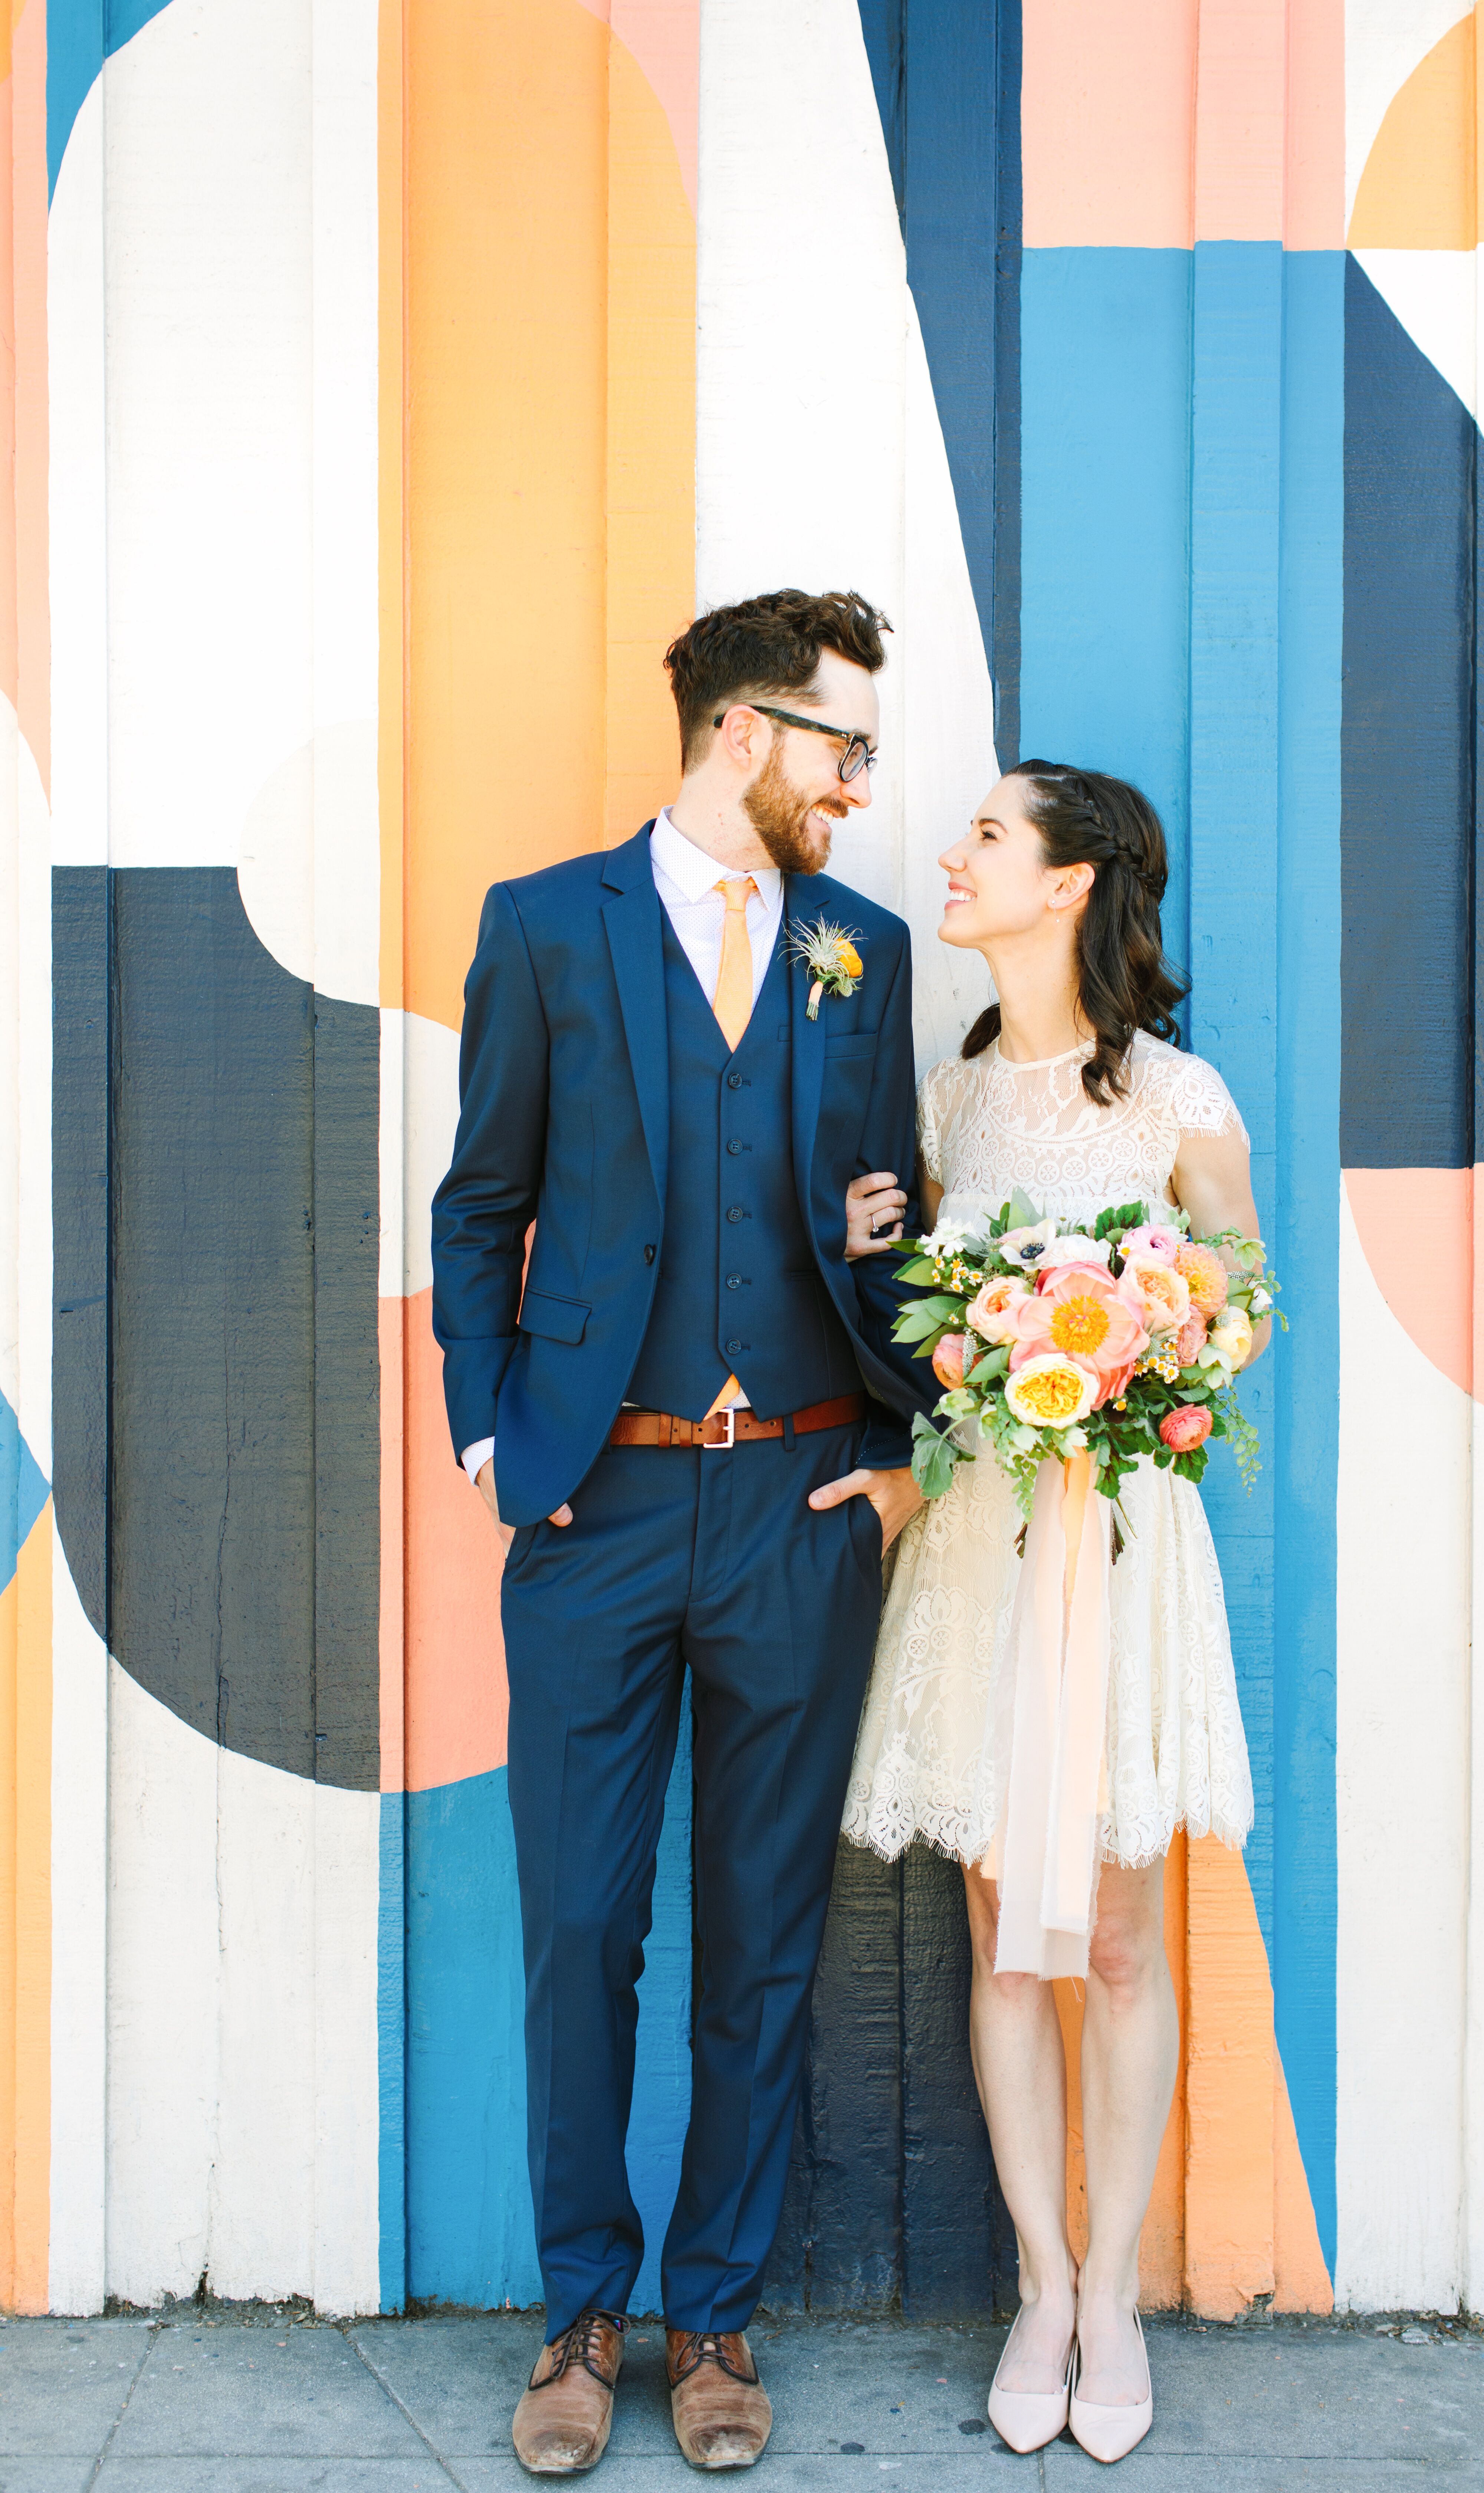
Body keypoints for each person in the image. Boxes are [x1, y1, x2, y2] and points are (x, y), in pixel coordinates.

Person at [430, 588, 929, 2477]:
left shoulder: (859, 949)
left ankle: (713, 2315)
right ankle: (578, 2312)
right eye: (842, 747)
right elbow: (480, 1202)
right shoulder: (548, 926)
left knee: (765, 1942)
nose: (859, 787)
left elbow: (877, 1221)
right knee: (579, 1924)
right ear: (741, 733)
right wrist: (497, 1439)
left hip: (798, 1499)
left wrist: (896, 1440)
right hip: (600, 1500)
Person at [841, 762, 1264, 2466]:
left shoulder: (1176, 1095)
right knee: (1003, 1933)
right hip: (978, 1552)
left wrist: (1147, 1339)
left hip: (1120, 1546)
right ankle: (1038, 2279)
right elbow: (917, 1333)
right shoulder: (946, 1111)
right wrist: (896, 1262)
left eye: (989, 839)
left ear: (1074, 883)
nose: (955, 856)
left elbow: (1236, 1304)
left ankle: (1116, 2305)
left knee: (1111, 1931)